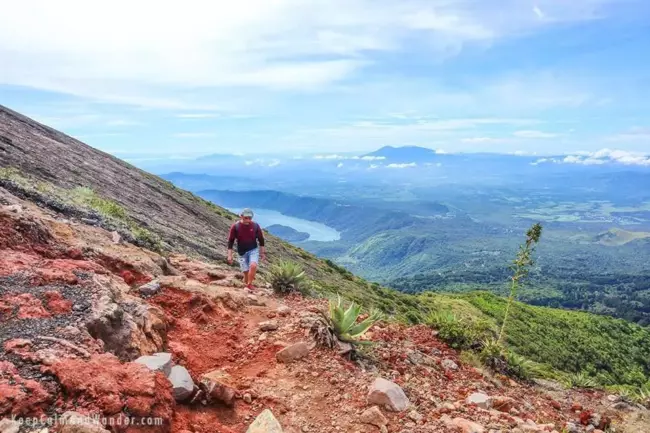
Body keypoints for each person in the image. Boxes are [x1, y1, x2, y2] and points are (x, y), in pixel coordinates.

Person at [227, 208, 266, 289]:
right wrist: (229, 255)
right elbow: (231, 241)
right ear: (241, 216)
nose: (248, 220)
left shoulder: (255, 226)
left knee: (253, 265)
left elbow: (261, 240)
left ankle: (249, 284)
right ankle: (246, 282)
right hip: (241, 252)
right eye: (246, 218)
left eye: (250, 218)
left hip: (253, 249)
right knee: (245, 271)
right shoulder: (236, 226)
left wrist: (262, 253)